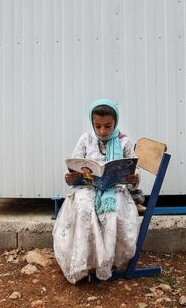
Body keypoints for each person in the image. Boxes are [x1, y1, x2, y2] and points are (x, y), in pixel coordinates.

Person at [53, 99, 140, 284]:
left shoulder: (124, 141)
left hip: (114, 189)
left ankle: (105, 264)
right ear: (92, 123)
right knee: (84, 208)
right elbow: (74, 165)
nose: (102, 131)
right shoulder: (86, 139)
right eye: (97, 126)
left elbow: (134, 171)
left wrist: (134, 178)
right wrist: (69, 177)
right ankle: (84, 263)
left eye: (108, 126)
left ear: (116, 122)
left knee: (110, 212)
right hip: (87, 187)